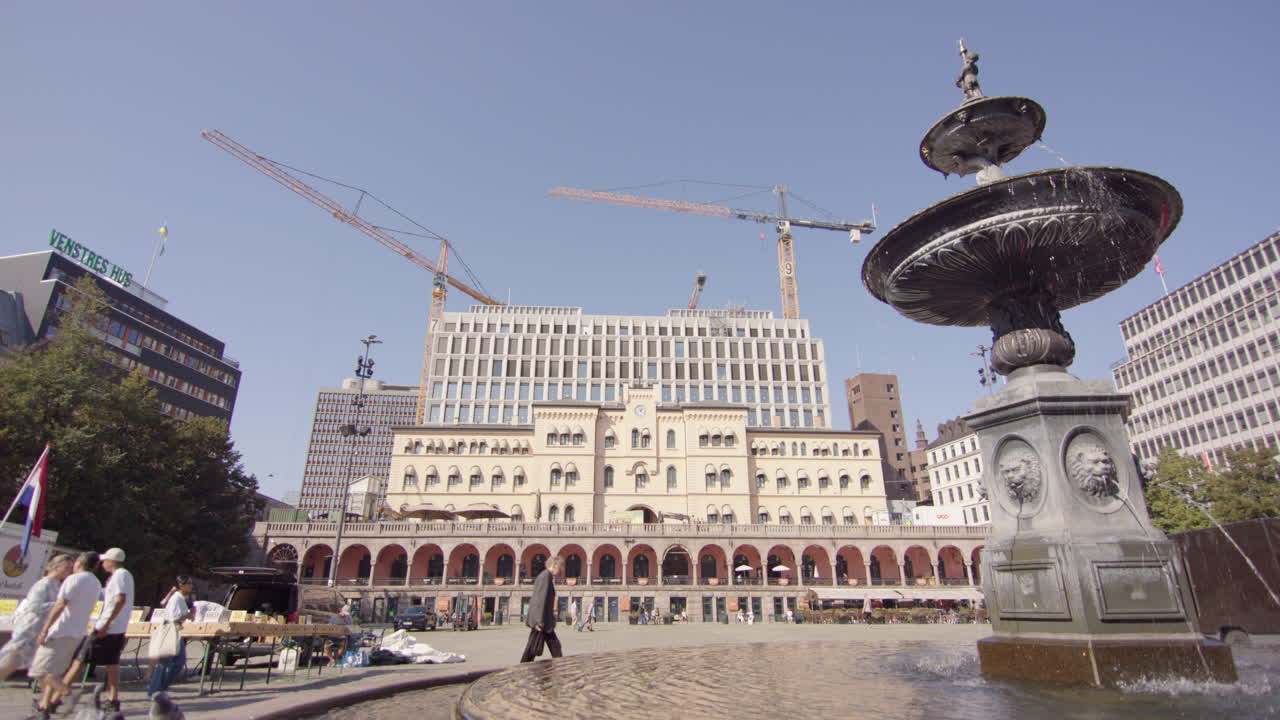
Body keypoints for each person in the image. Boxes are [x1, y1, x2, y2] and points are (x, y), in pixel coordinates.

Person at [63, 547, 134, 713]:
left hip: (107, 627)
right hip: (117, 627)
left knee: (80, 660)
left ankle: (58, 695)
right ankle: (113, 698)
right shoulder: (124, 575)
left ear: (111, 561)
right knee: (112, 663)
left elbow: (119, 600)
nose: (102, 564)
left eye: (104, 561)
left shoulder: (119, 576)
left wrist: (107, 623)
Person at [31, 551, 101, 718]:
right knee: (55, 672)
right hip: (77, 632)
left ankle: (67, 694)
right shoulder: (96, 583)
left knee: (39, 671)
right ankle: (44, 706)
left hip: (61, 630)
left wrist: (45, 628)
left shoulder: (74, 579)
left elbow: (60, 604)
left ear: (79, 563)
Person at [0, 554, 73, 681]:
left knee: (20, 663)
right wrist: (59, 604)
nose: (69, 571)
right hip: (29, 628)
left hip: (38, 630)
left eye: (70, 568)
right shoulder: (43, 584)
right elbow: (34, 606)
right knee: (10, 660)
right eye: (66, 568)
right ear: (56, 567)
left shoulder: (57, 585)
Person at [147, 575, 195, 697]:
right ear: (181, 585)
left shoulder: (181, 598)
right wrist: (190, 615)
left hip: (175, 630)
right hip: (171, 630)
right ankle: (155, 690)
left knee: (176, 662)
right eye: (188, 583)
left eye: (191, 583)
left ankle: (159, 689)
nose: (190, 586)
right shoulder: (177, 598)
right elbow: (174, 618)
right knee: (167, 662)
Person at [519, 556, 562, 662]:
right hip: (543, 621)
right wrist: (539, 620)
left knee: (533, 648)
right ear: (554, 565)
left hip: (544, 620)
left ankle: (523, 667)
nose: (560, 570)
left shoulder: (545, 576)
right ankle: (561, 667)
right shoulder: (546, 576)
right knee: (552, 647)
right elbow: (539, 599)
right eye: (559, 566)